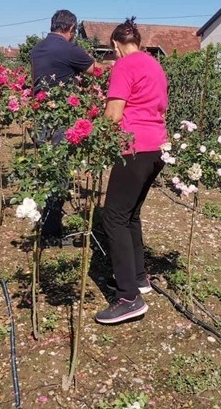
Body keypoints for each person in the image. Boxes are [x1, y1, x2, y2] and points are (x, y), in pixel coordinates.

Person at [95, 18, 168, 324]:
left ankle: (128, 298)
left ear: (115, 45)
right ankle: (138, 278)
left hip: (134, 148)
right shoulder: (154, 64)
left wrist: (93, 140)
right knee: (130, 214)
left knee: (112, 216)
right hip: (157, 149)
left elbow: (113, 116)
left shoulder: (123, 66)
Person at [30, 10, 105, 245]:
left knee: (47, 169)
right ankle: (51, 232)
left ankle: (45, 221)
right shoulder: (68, 49)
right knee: (59, 173)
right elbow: (98, 70)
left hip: (42, 117)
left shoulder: (38, 48)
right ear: (71, 28)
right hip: (61, 119)